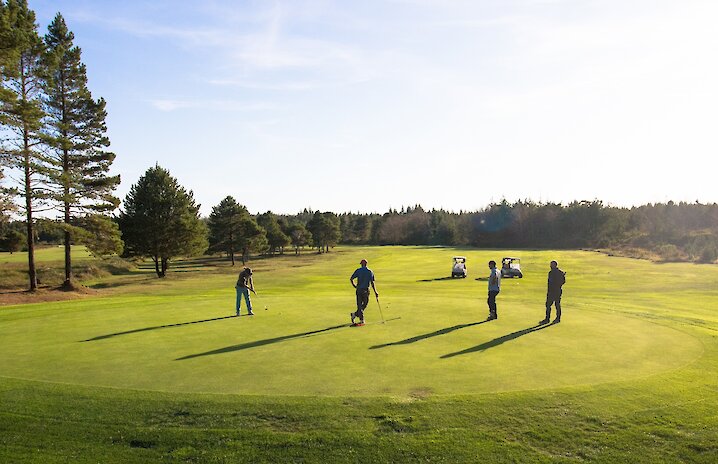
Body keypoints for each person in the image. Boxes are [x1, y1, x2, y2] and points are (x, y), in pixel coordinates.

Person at [350, 259, 378, 325]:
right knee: (364, 304)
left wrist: (354, 286)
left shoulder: (358, 270)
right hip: (366, 290)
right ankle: (362, 319)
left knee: (360, 305)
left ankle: (355, 314)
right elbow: (372, 282)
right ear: (366, 264)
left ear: (361, 264)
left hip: (359, 290)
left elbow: (351, 279)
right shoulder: (369, 271)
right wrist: (375, 292)